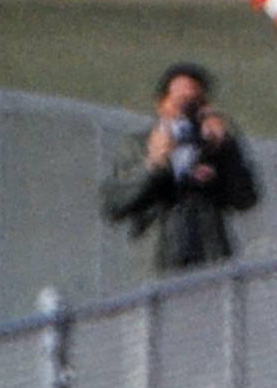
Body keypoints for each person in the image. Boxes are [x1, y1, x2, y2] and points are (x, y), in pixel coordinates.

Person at [101, 62, 260, 273]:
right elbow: (114, 205)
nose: (186, 112)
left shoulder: (214, 147)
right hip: (157, 264)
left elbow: (246, 199)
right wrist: (154, 166)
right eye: (181, 103)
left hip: (209, 265)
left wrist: (225, 150)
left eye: (196, 104)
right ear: (161, 104)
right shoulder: (139, 145)